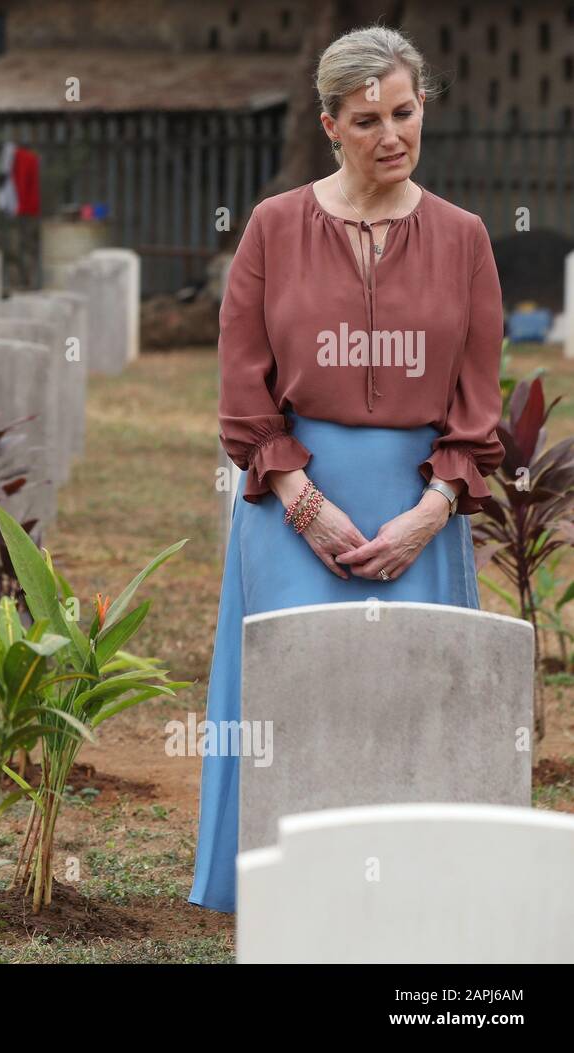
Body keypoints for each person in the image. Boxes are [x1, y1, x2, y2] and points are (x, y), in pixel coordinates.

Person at [189, 25, 504, 913]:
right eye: (367, 119)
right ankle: (287, 895)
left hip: (419, 507)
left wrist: (431, 512)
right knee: (293, 711)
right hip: (292, 498)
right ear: (330, 124)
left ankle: (407, 898)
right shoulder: (273, 227)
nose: (392, 135)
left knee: (411, 702)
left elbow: (477, 407)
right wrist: (302, 501)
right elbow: (243, 389)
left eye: (404, 112)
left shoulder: (466, 237)